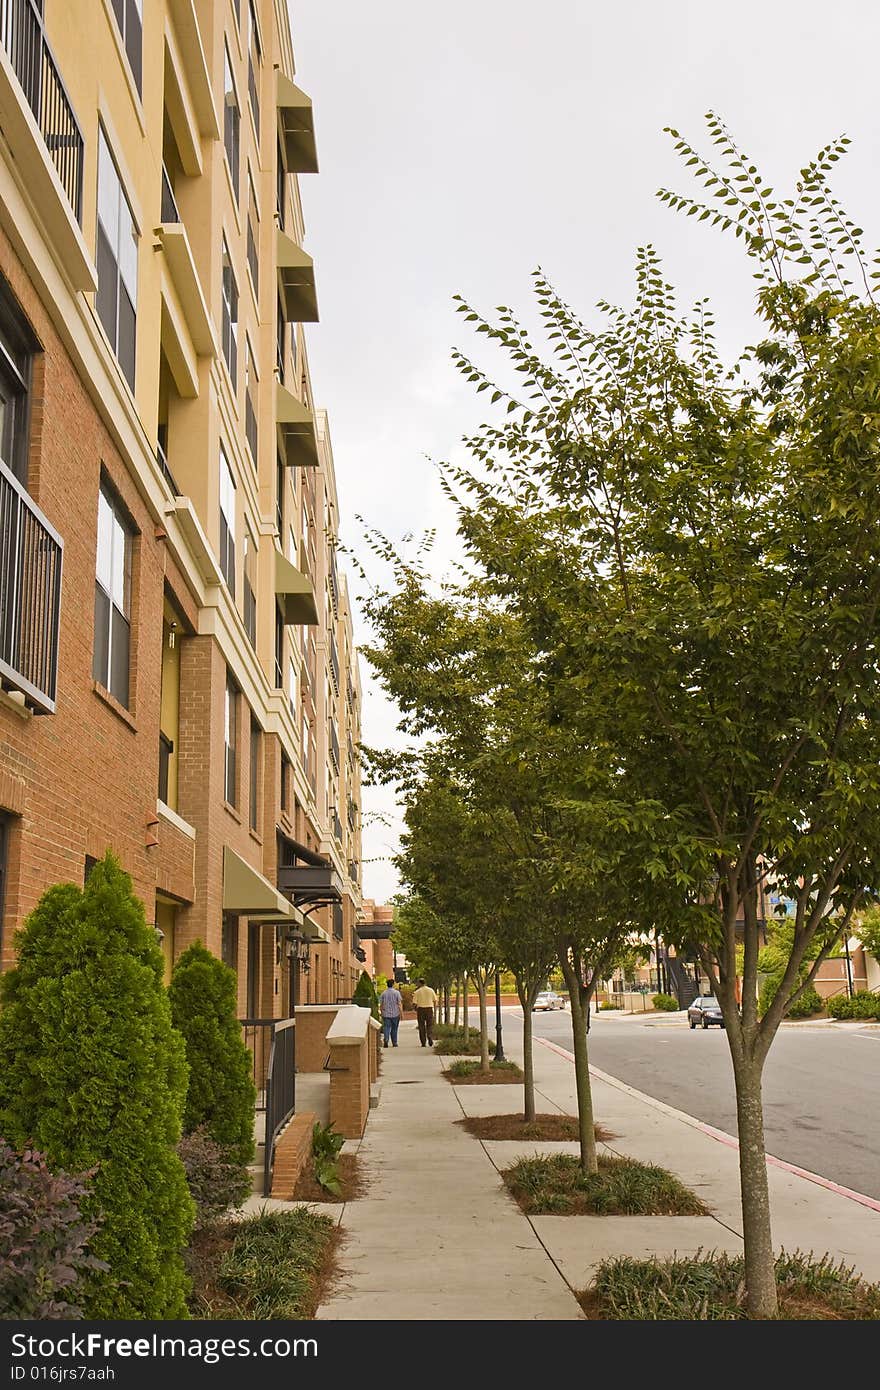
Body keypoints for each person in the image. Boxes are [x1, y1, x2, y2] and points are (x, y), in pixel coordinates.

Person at [412, 978, 438, 1046]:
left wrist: (415, 1009)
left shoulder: (417, 992)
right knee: (430, 1025)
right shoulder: (431, 990)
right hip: (429, 1009)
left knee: (421, 1026)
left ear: (420, 983)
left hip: (421, 1010)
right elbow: (435, 1000)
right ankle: (429, 1035)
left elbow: (414, 1003)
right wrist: (435, 1009)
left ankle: (423, 1042)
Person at [379, 978, 404, 1048]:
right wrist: (401, 1013)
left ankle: (386, 1040)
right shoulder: (397, 993)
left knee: (386, 1028)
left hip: (386, 1014)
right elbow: (399, 1003)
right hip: (395, 1014)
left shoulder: (383, 993)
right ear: (393, 984)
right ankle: (394, 1042)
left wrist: (381, 1012)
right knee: (394, 1028)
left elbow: (381, 1004)